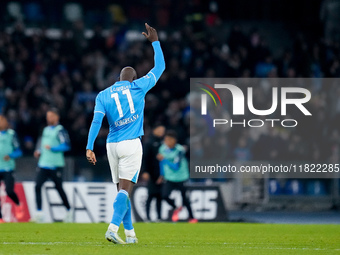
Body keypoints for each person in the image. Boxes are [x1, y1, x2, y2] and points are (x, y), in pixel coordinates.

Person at [86, 23, 165, 244]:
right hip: (131, 143)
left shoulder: (103, 94)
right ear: (132, 78)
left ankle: (130, 235)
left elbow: (95, 121)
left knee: (122, 191)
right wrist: (155, 42)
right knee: (126, 190)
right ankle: (112, 228)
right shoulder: (138, 86)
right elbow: (160, 67)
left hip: (111, 145)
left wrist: (89, 146)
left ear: (118, 78)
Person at [33, 108, 72, 223]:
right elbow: (44, 145)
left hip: (55, 164)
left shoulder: (60, 130)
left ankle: (69, 211)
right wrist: (39, 151)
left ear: (56, 117)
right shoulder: (45, 130)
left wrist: (53, 148)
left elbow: (66, 146)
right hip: (43, 163)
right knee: (37, 186)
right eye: (47, 116)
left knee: (59, 188)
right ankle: (39, 213)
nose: (48, 118)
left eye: (50, 116)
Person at [157, 130, 197, 223]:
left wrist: (164, 159)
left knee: (185, 198)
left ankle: (192, 217)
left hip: (181, 177)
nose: (167, 142)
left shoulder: (180, 150)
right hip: (169, 177)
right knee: (164, 195)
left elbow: (175, 166)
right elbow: (162, 164)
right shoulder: (162, 149)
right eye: (166, 140)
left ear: (174, 140)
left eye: (169, 140)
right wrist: (161, 175)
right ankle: (176, 207)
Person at [0, 115, 24, 223]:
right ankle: (0, 218)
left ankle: (18, 204)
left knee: (9, 191)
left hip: (8, 168)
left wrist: (10, 155)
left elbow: (19, 151)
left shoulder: (11, 134)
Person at [141, 124, 166, 222]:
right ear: (155, 130)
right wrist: (145, 171)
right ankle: (147, 217)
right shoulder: (149, 142)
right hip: (151, 173)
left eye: (163, 130)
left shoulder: (163, 142)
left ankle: (159, 217)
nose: (162, 132)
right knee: (151, 195)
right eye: (160, 129)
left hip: (161, 174)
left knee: (159, 195)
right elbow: (145, 158)